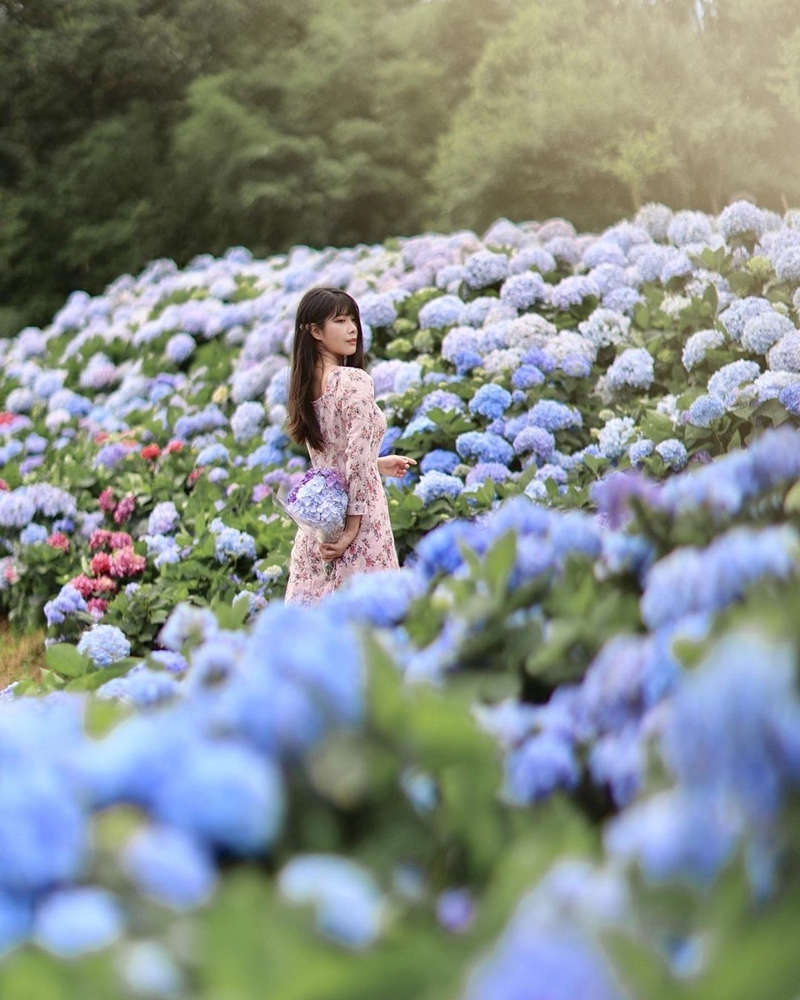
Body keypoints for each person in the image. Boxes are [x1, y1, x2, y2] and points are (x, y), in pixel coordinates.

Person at [284, 286, 415, 605]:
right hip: (358, 521)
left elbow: (333, 454)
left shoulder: (305, 386)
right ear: (315, 330)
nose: (352, 328)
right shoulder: (351, 380)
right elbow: (354, 461)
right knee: (371, 624)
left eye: (353, 320)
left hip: (321, 522)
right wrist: (350, 531)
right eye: (340, 321)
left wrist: (378, 463)